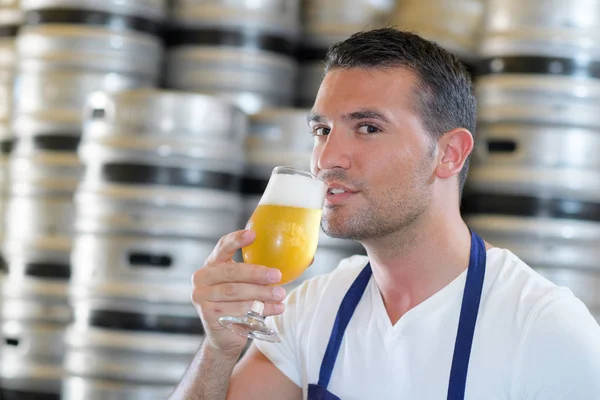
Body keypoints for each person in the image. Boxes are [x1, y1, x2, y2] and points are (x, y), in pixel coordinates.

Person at [170, 28, 600, 400]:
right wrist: (218, 351)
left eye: (368, 128)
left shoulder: (544, 329)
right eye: (322, 130)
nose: (327, 158)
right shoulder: (313, 308)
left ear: (449, 154)